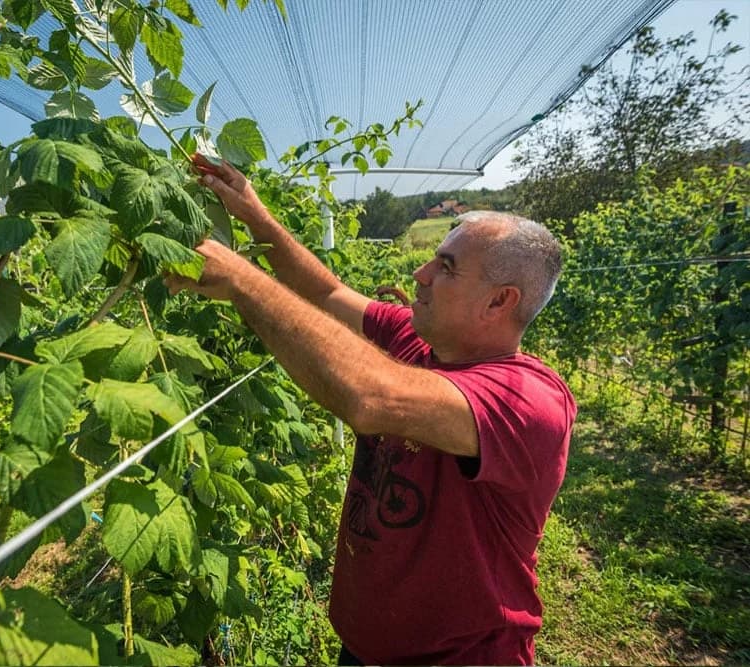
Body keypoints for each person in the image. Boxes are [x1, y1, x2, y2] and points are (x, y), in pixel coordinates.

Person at [164, 154, 577, 666]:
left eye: (445, 268)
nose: (420, 274)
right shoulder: (416, 337)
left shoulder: (527, 400)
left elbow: (371, 398)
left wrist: (243, 281)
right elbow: (327, 291)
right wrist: (255, 214)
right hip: (366, 646)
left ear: (499, 302)